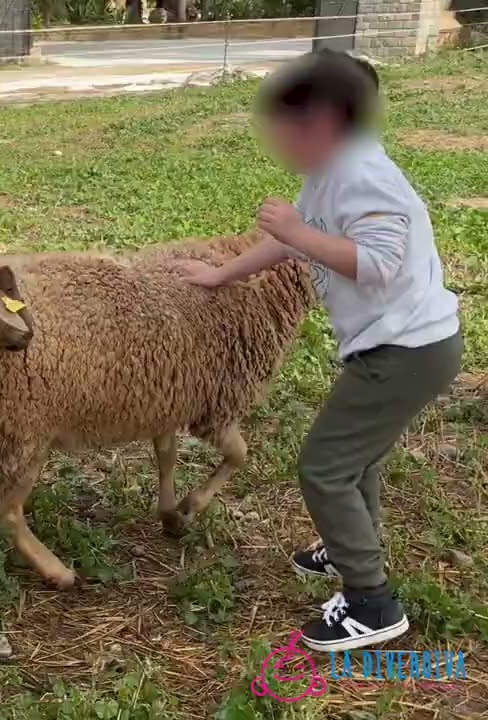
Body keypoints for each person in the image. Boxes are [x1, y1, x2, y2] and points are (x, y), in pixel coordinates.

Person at [178, 49, 462, 653]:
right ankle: (348, 545)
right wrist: (221, 275)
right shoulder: (330, 172)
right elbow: (289, 246)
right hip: (403, 346)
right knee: (356, 459)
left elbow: (379, 264)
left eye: (291, 121)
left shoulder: (365, 174)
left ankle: (372, 603)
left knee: (324, 466)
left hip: (406, 349)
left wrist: (297, 232)